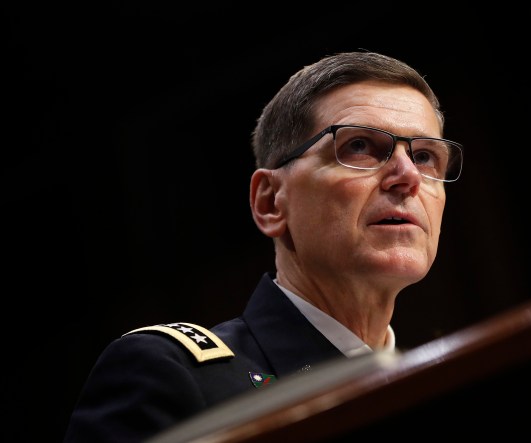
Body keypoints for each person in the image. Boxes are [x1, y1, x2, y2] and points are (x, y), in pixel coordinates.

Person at [63, 50, 464, 442]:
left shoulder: (451, 390)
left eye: (425, 155)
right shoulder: (173, 377)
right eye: (359, 146)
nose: (408, 176)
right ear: (270, 202)